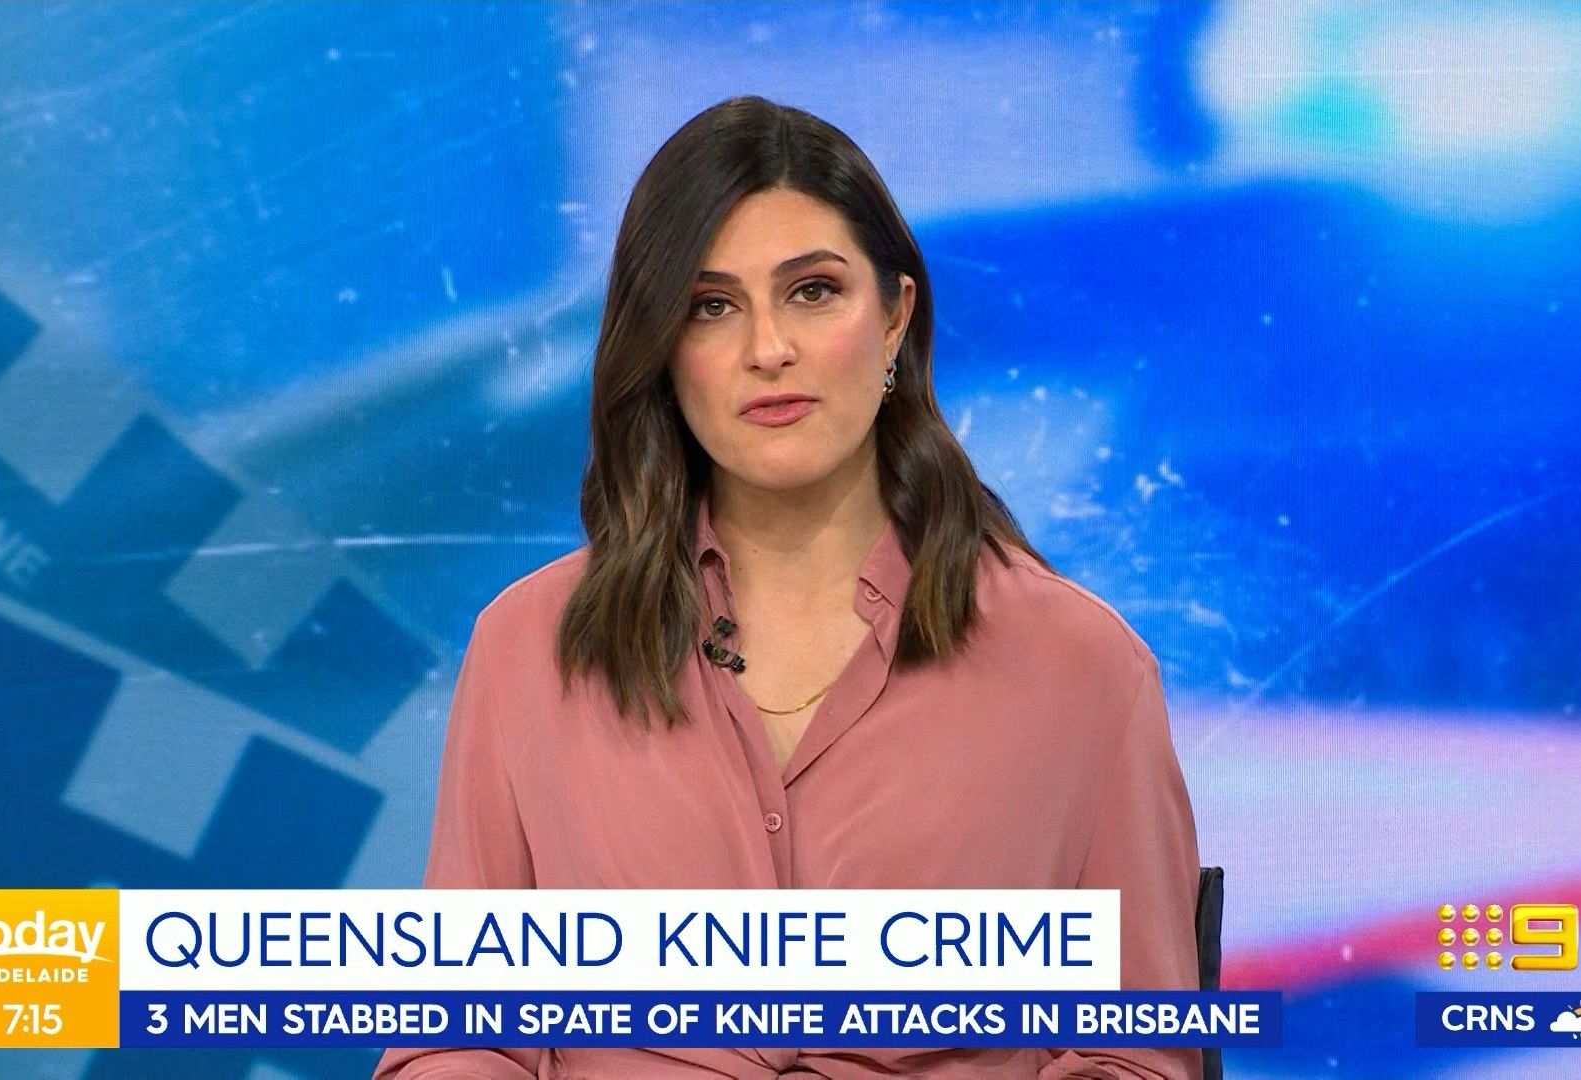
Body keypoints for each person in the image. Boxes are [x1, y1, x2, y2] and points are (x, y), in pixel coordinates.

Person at [375, 94, 1202, 1080]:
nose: (768, 349)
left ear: (895, 316)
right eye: (711, 306)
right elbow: (455, 1042)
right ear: (661, 350)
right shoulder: (530, 649)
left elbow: (1136, 1056)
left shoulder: (1082, 668)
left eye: (812, 292)